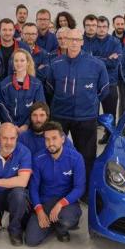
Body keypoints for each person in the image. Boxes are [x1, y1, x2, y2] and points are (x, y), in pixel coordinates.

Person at [42, 27, 110, 179]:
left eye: (77, 40)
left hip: (85, 118)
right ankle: (57, 183)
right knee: (55, 151)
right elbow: (50, 89)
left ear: (82, 42)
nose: (73, 43)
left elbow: (104, 90)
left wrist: (90, 102)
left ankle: (85, 188)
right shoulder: (55, 64)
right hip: (60, 116)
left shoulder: (96, 65)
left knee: (87, 156)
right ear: (65, 41)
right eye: (70, 39)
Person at [25, 122, 86, 246]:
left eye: (54, 138)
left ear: (62, 139)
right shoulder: (38, 159)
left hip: (66, 202)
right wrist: (39, 210)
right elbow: (33, 188)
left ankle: (61, 228)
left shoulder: (76, 158)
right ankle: (52, 223)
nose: (50, 143)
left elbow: (79, 188)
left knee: (67, 220)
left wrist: (60, 204)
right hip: (45, 202)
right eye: (47, 139)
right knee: (31, 240)